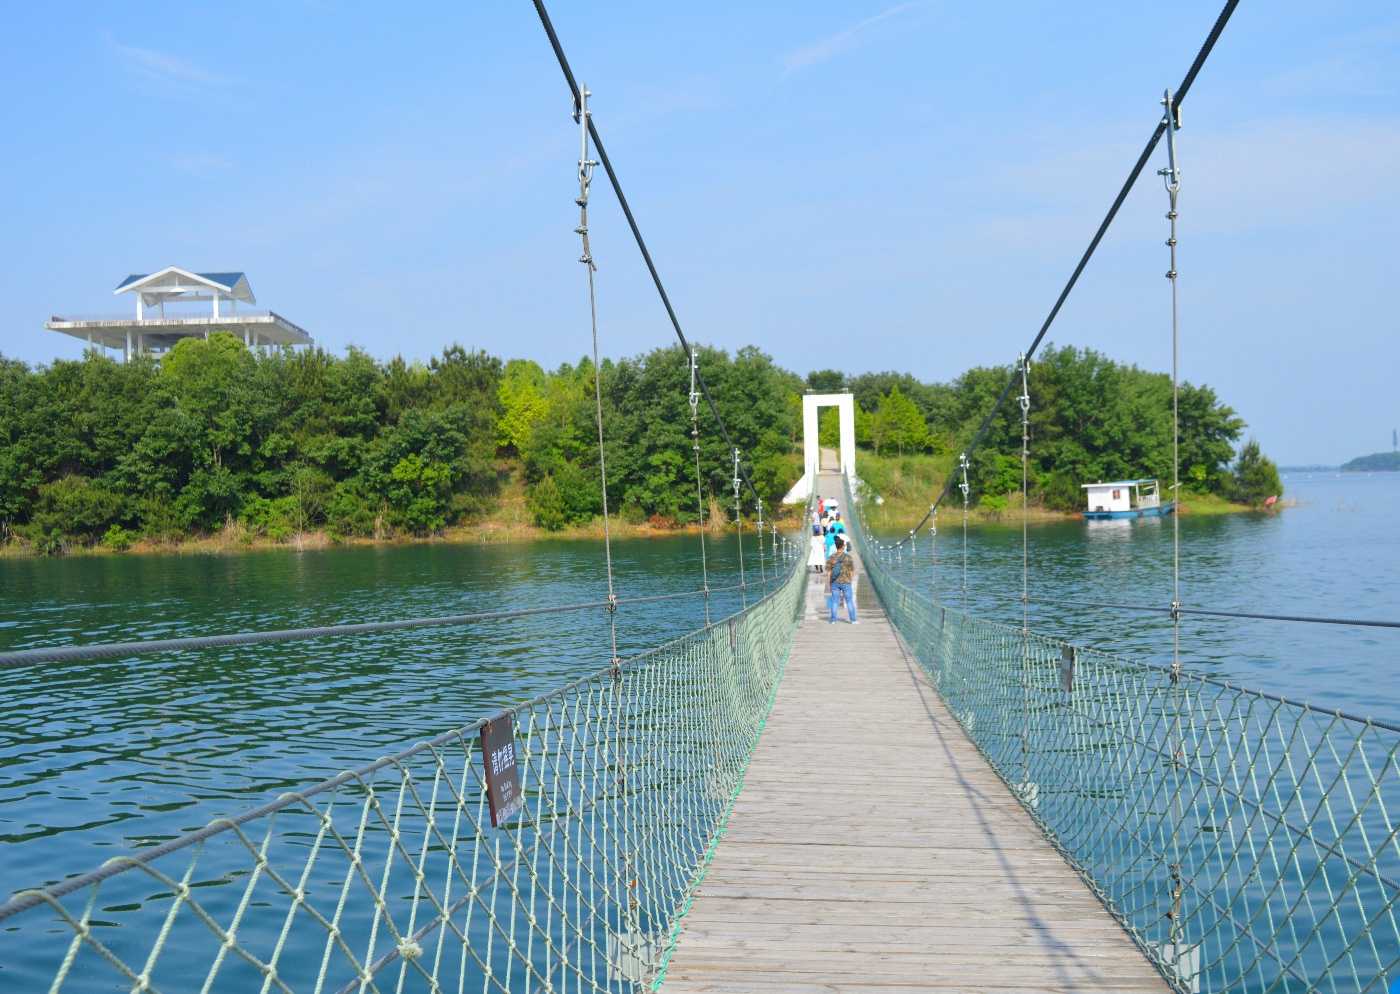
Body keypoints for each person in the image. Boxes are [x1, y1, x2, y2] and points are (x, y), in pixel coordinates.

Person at [826, 535, 859, 624]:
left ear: (836, 546)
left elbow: (829, 572)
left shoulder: (831, 557)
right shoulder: (848, 557)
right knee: (849, 601)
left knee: (835, 602)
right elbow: (852, 570)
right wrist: (850, 579)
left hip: (835, 582)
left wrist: (829, 582)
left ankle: (833, 620)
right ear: (843, 546)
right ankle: (853, 620)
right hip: (846, 582)